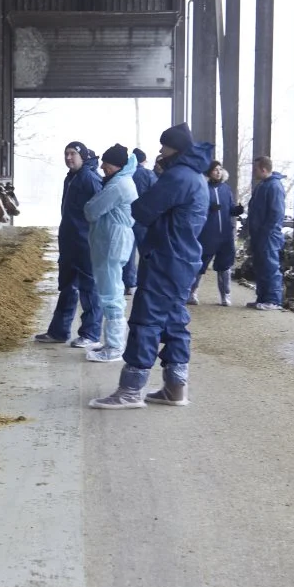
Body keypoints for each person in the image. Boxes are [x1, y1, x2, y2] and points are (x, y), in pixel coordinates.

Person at [89, 123, 210, 409]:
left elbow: (142, 210)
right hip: (185, 257)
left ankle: (130, 390)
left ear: (175, 149)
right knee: (175, 321)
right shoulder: (196, 177)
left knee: (147, 320)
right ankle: (175, 387)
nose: (159, 151)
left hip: (165, 256)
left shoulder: (177, 176)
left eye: (164, 146)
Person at [34, 141, 103, 348]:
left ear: (82, 155)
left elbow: (100, 209)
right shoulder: (71, 178)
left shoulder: (89, 178)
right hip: (69, 241)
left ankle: (91, 334)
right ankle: (59, 331)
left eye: (72, 153)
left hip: (85, 242)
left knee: (88, 288)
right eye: (66, 154)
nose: (68, 158)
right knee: (67, 287)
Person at [83, 144, 138, 363]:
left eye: (106, 163)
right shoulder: (119, 181)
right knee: (110, 291)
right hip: (112, 239)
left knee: (111, 293)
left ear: (116, 164)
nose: (102, 167)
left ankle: (115, 346)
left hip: (112, 242)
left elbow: (91, 210)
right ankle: (111, 342)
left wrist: (90, 206)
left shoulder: (118, 185)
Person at [188, 160, 243, 307]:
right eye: (215, 169)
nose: (218, 172)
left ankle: (225, 295)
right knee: (201, 264)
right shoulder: (203, 188)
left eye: (220, 169)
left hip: (225, 233)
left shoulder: (226, 188)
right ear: (209, 172)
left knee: (225, 266)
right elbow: (196, 207)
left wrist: (236, 210)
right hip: (207, 234)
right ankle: (192, 292)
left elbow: (230, 207)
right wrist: (209, 208)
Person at [245, 156, 285, 310]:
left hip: (268, 236)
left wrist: (265, 232)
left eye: (255, 169)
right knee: (260, 266)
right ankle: (262, 298)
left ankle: (273, 300)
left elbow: (276, 213)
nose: (253, 172)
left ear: (263, 169)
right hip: (259, 234)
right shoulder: (263, 185)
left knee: (270, 267)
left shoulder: (274, 186)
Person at [122, 148, 156, 294]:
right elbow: (156, 193)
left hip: (127, 217)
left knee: (128, 252)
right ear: (144, 160)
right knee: (146, 253)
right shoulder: (149, 174)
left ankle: (129, 284)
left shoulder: (125, 173)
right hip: (143, 219)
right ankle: (147, 282)